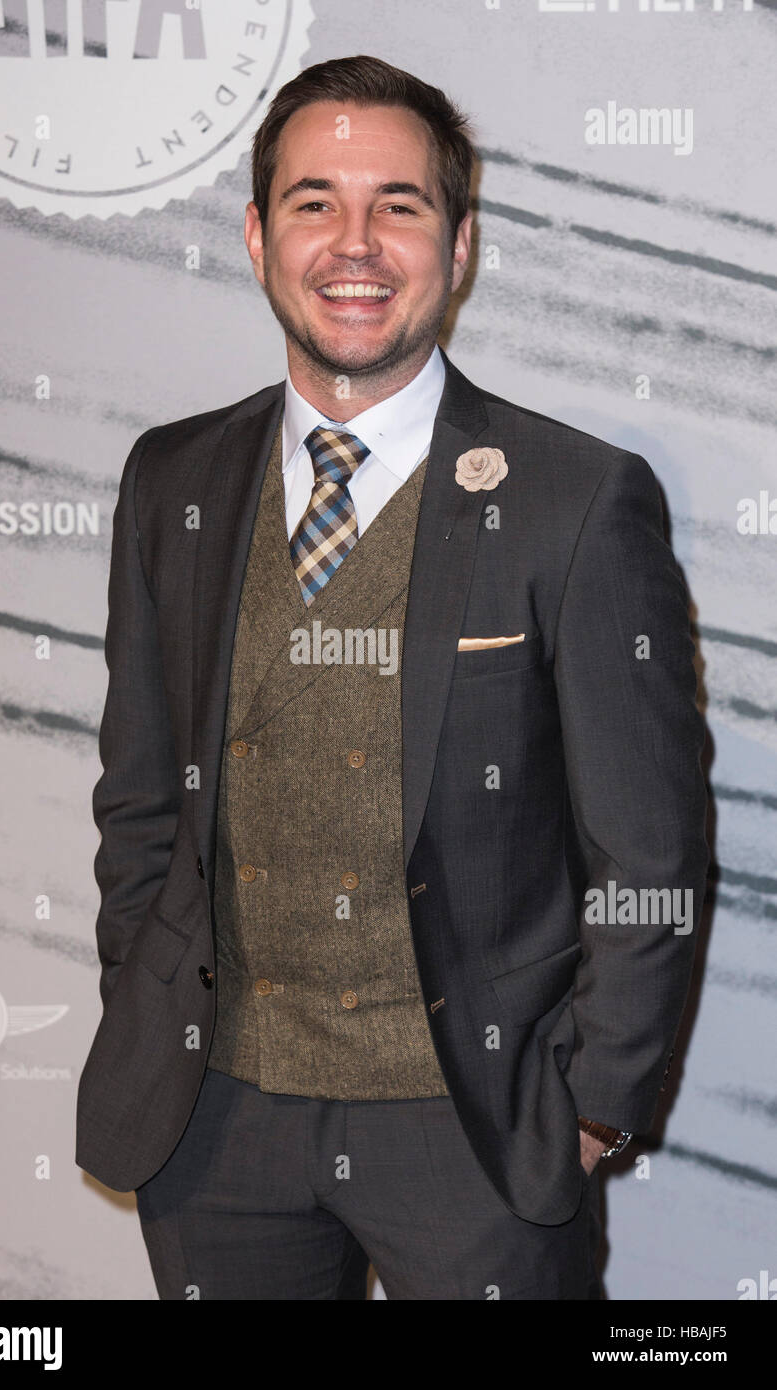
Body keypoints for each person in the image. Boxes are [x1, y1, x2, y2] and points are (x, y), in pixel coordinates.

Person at [76, 54, 709, 1300]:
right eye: (313, 202)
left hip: (475, 1135)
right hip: (218, 1130)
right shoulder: (173, 482)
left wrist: (588, 1109)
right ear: (259, 237)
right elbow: (140, 798)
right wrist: (145, 1004)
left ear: (458, 245)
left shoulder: (574, 502)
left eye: (398, 206)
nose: (351, 244)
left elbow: (651, 854)